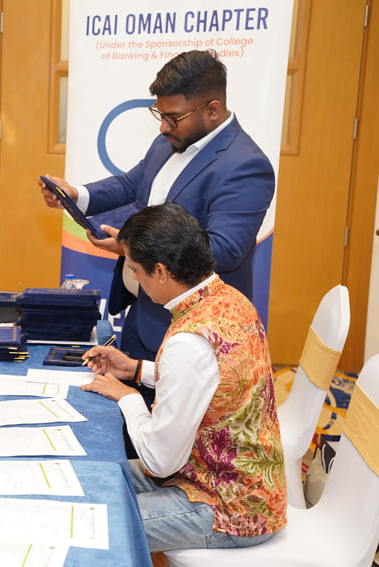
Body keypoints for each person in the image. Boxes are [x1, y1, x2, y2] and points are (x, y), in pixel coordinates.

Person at [40, 50, 275, 401]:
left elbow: (224, 250)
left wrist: (132, 247)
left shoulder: (246, 166)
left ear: (212, 110)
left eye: (173, 117)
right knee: (130, 413)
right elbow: (132, 185)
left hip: (192, 333)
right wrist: (78, 194)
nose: (163, 126)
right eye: (160, 115)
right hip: (144, 312)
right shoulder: (172, 139)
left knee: (163, 426)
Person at [80, 202, 286, 552]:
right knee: (91, 477)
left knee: (92, 523)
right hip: (233, 482)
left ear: (160, 271)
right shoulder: (228, 299)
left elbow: (159, 460)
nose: (136, 280)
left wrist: (128, 397)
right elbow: (210, 381)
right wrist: (134, 369)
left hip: (230, 509)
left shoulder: (189, 341)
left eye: (136, 270)